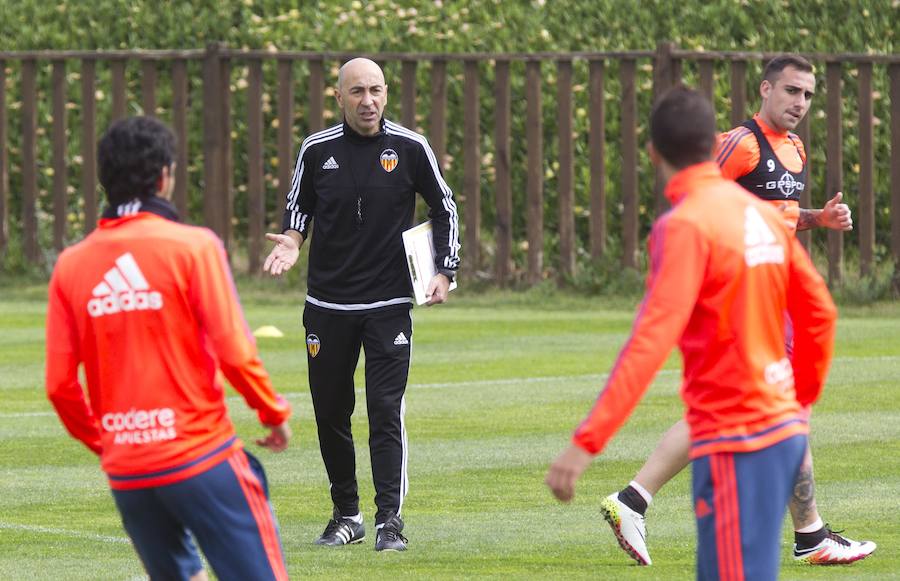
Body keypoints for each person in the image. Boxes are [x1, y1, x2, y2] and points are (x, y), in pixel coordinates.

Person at [546, 86, 838, 581]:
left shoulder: (683, 226)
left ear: (653, 153)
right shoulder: (767, 216)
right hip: (784, 435)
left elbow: (650, 341)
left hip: (732, 441)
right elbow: (821, 315)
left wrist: (587, 442)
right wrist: (796, 398)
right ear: (713, 144)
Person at [598, 54, 875, 567]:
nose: (800, 103)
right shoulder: (739, 143)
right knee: (776, 411)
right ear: (766, 90)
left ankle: (634, 500)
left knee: (753, 411)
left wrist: (820, 218)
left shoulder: (794, 149)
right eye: (791, 91)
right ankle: (808, 535)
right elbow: (699, 205)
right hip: (742, 300)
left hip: (775, 295)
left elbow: (770, 218)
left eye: (808, 95)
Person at [45, 116, 293, 581]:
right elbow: (235, 352)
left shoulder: (70, 265)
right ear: (165, 175)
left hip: (129, 472)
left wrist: (110, 443)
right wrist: (272, 412)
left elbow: (59, 387)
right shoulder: (193, 246)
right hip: (201, 458)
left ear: (104, 178)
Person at [264, 57, 460, 552]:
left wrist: (445, 269)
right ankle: (346, 515)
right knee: (331, 411)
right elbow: (298, 206)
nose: (367, 101)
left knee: (384, 409)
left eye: (375, 90)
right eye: (357, 92)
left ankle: (389, 521)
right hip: (326, 304)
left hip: (389, 302)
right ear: (339, 97)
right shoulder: (316, 149)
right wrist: (291, 241)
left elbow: (444, 206)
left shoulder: (411, 147)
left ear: (387, 93)